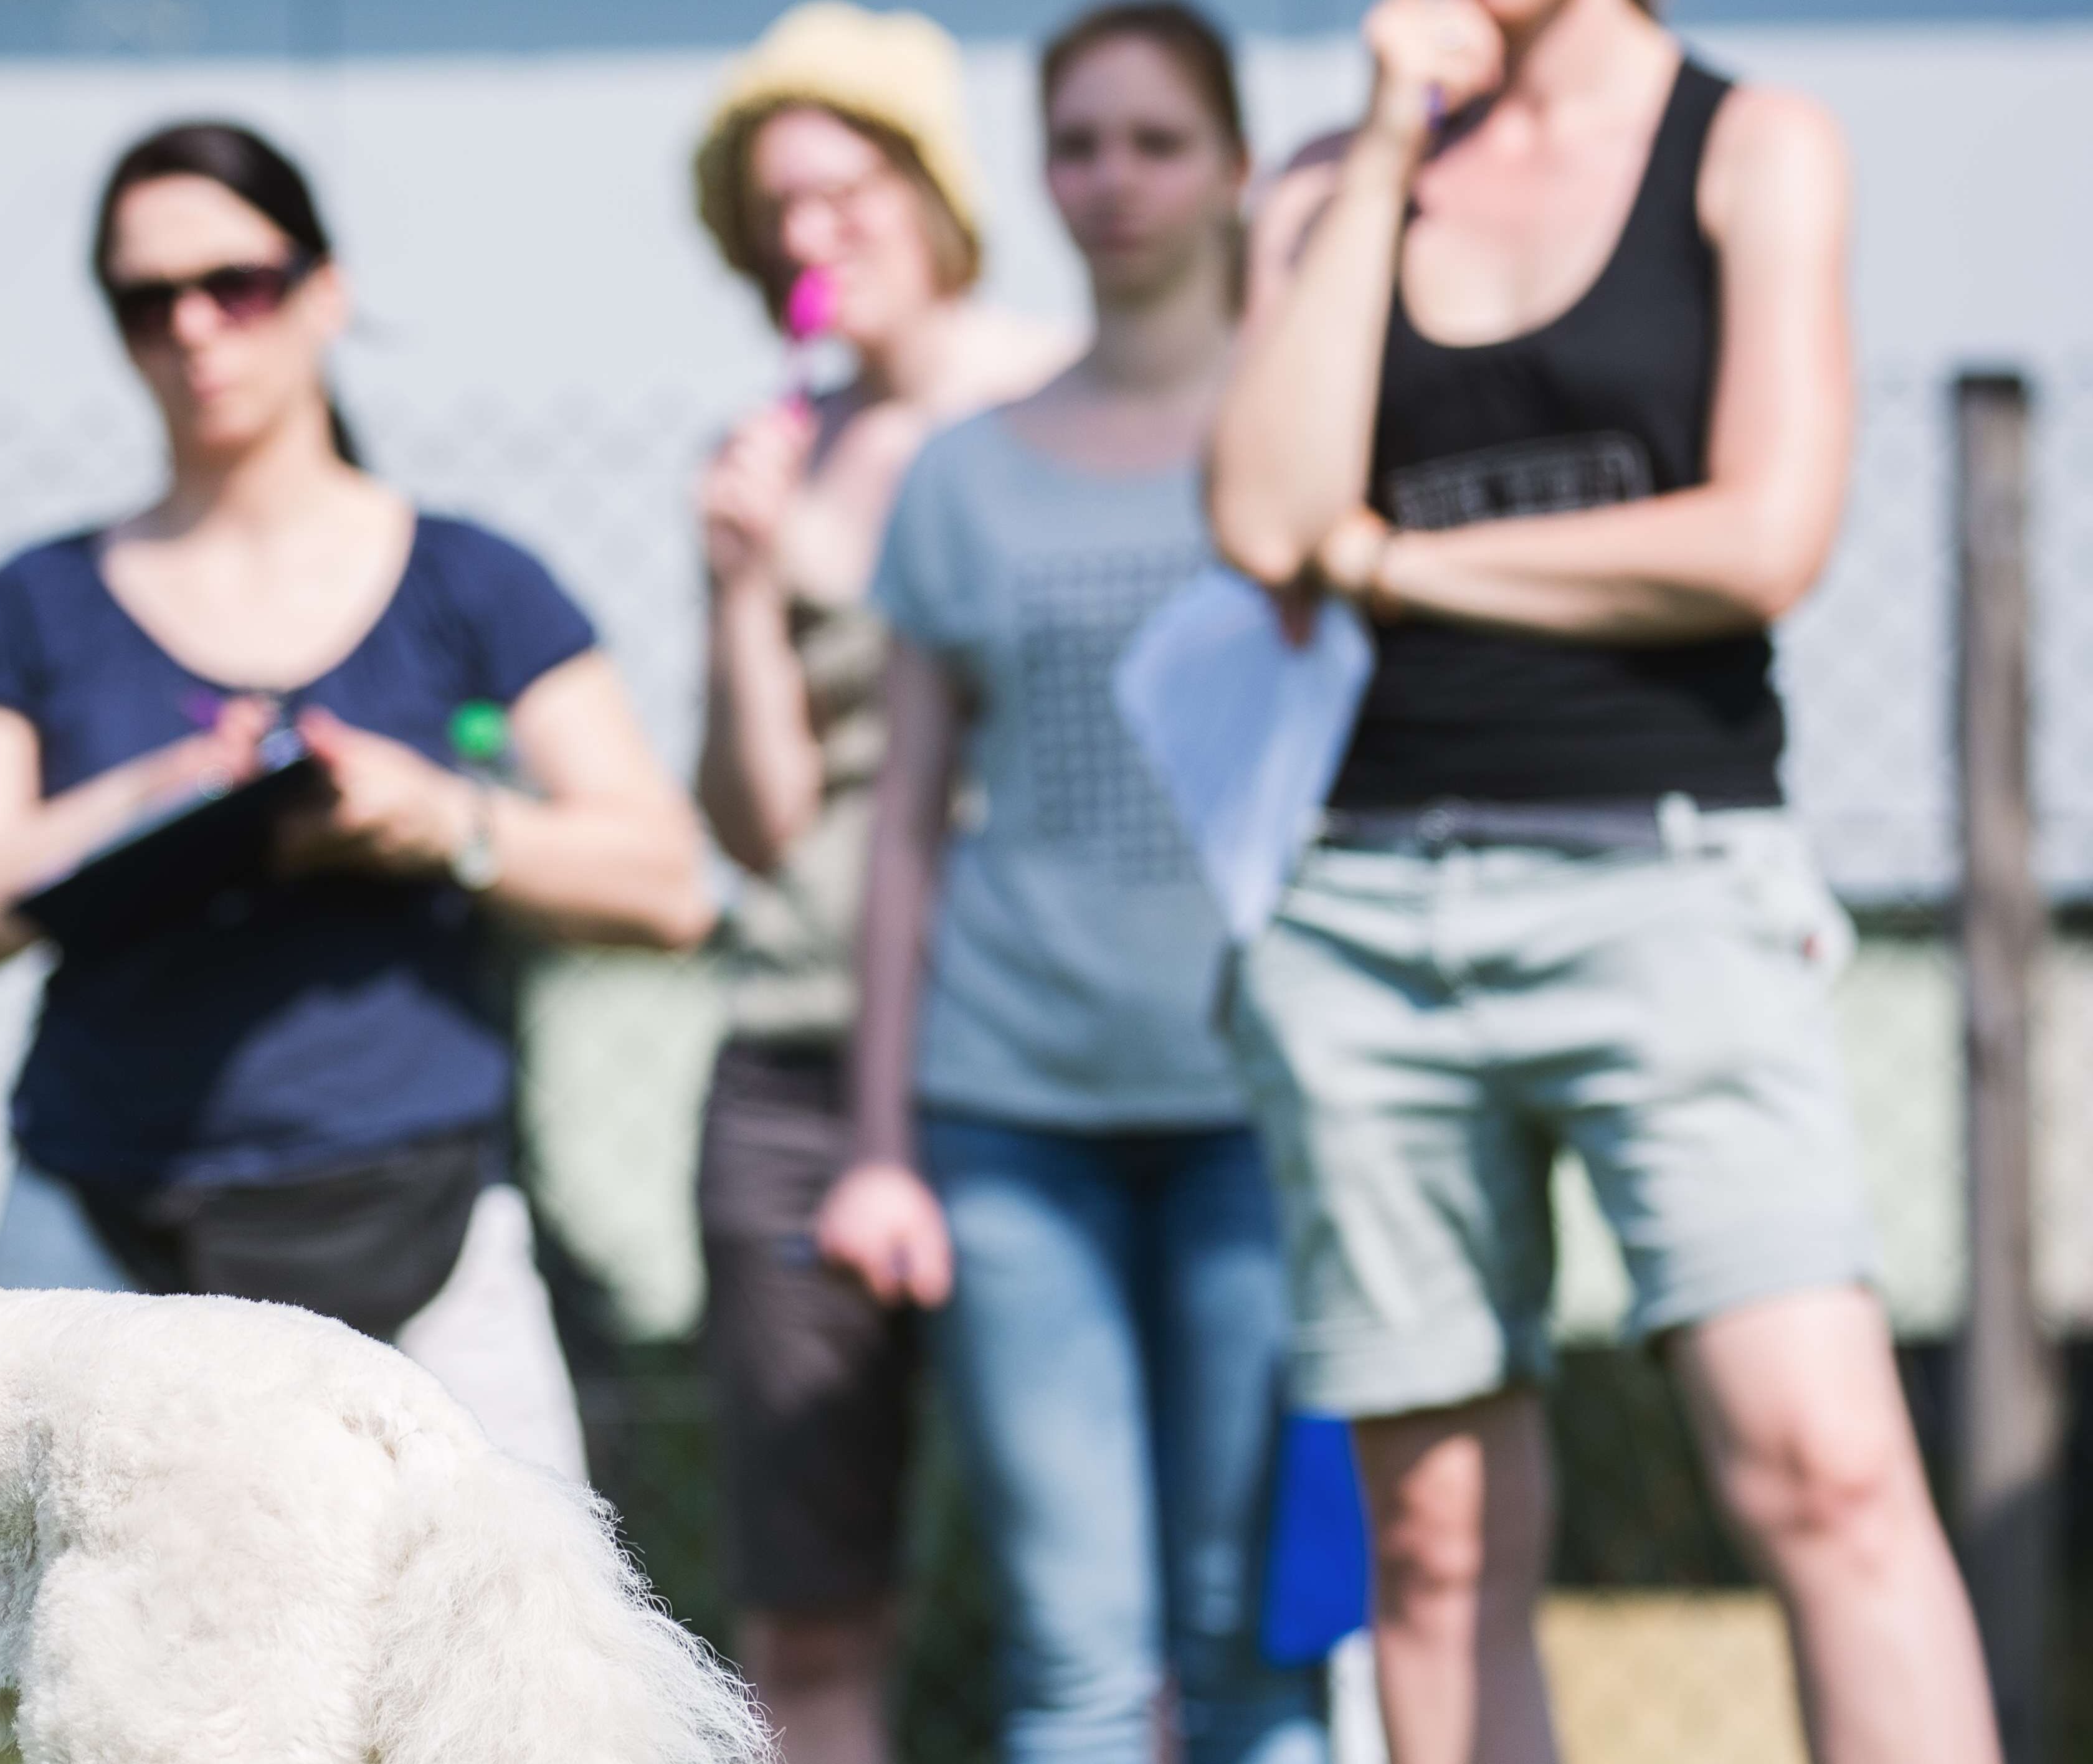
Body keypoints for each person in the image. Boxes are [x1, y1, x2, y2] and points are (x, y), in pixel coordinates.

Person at [1203, 1, 2001, 1760]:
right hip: (1355, 924)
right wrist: (1393, 143)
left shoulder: (1754, 145)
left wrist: (1401, 560)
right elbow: (1266, 522)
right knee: (1435, 1540)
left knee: (1831, 1472)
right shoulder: (1331, 183)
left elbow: (1761, 538)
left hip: (1670, 885)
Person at [0, 121, 710, 1488]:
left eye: (237, 285)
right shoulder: (28, 608)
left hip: (422, 1230)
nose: (196, 329)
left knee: (500, 1660)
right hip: (98, 1237)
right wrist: (156, 796)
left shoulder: (474, 584)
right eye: (148, 300)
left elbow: (665, 882)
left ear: (325, 291)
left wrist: (446, 820)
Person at [809, 9, 1326, 1763]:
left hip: (1262, 1109)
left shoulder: (1310, 448)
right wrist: (882, 1141)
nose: (1116, 181)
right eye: (1082, 143)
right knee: (1077, 1661)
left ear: (1235, 167)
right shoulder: (961, 478)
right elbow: (902, 833)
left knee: (1253, 1642)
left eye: (1158, 142)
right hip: (1012, 1115)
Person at [682, 7, 1072, 1757]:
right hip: (799, 1063)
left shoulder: (1071, 403)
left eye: (842, 193)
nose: (806, 240)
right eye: (776, 215)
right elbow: (753, 822)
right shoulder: (780, 450)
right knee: (813, 1609)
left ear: (936, 192)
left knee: (1091, 1591)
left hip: (1035, 1064)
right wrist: (743, 594)